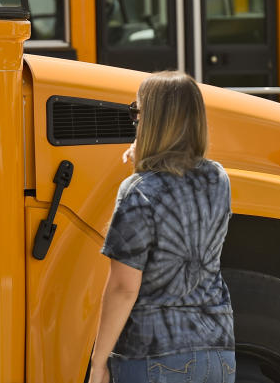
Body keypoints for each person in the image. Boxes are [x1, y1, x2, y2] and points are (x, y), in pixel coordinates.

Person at [90, 71, 235, 383]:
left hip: (153, 355)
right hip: (216, 350)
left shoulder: (138, 191)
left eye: (138, 113)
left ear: (153, 120)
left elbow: (123, 287)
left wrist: (98, 362)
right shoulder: (218, 178)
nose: (136, 122)